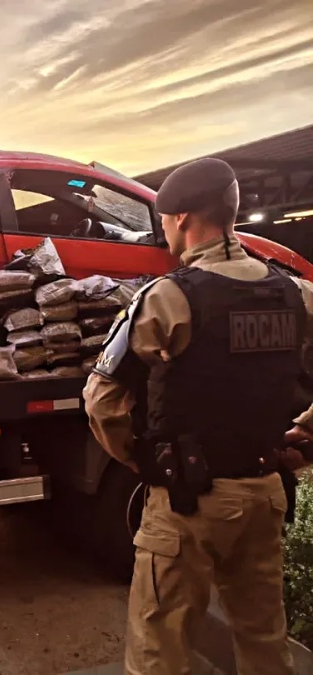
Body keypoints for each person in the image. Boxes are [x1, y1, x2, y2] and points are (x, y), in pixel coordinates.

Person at [82, 156, 313, 674]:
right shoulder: (294, 291)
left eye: (163, 220)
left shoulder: (169, 297)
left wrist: (142, 460)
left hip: (188, 502)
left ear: (181, 218)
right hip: (264, 492)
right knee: (262, 635)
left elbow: (102, 399)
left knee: (160, 646)